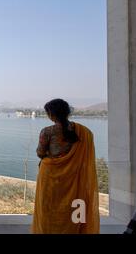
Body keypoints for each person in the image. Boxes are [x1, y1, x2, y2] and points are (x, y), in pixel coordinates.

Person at [31, 98, 100, 234]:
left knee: (47, 208)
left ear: (52, 114)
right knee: (71, 207)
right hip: (73, 177)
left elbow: (40, 152)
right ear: (67, 112)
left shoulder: (47, 131)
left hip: (50, 176)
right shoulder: (83, 132)